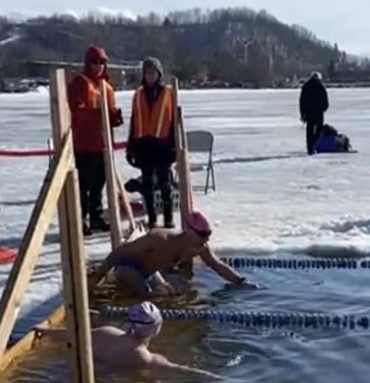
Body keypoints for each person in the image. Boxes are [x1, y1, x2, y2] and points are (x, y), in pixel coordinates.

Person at [88, 210, 256, 298]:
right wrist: (99, 275)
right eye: (203, 235)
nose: (206, 239)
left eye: (208, 235)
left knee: (168, 293)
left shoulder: (200, 247)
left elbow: (218, 266)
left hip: (149, 272)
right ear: (188, 231)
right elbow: (120, 251)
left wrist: (241, 281)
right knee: (148, 296)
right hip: (128, 267)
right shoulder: (159, 238)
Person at [34, 301, 219, 377]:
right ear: (156, 329)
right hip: (104, 381)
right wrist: (210, 376)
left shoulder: (106, 332)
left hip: (67, 370)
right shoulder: (142, 356)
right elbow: (177, 369)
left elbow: (72, 335)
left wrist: (45, 331)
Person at [67, 45, 123, 236]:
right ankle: (81, 218)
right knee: (84, 184)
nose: (98, 66)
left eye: (101, 62)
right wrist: (99, 114)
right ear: (87, 63)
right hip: (85, 143)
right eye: (95, 62)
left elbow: (108, 113)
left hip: (103, 143)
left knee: (100, 182)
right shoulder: (80, 83)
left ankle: (96, 217)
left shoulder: (107, 87)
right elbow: (77, 110)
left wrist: (114, 117)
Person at [126, 57, 176, 229]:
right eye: (147, 73)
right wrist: (130, 147)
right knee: (147, 185)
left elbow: (174, 121)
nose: (150, 76)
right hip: (144, 145)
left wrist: (174, 146)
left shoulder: (168, 93)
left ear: (159, 73)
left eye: (153, 72)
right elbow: (134, 121)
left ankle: (168, 218)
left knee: (164, 184)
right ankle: (152, 218)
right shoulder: (138, 94)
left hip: (162, 145)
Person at [299, 72, 329, 155]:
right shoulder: (320, 86)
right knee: (319, 129)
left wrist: (302, 113)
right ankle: (313, 143)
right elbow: (325, 99)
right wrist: (324, 108)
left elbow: (302, 101)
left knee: (309, 131)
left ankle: (310, 148)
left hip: (309, 112)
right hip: (318, 112)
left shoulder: (306, 87)